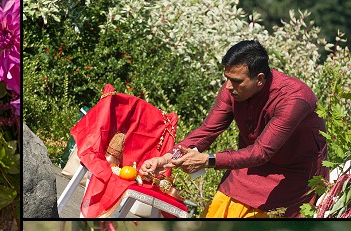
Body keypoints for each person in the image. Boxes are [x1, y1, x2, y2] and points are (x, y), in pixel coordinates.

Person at [139, 40, 328, 218]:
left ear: (260, 79)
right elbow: (208, 130)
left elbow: (262, 152)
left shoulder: (294, 99)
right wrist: (166, 159)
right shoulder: (234, 89)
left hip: (293, 176)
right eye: (227, 78)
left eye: (236, 80)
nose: (228, 86)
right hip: (246, 166)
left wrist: (207, 160)